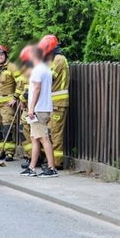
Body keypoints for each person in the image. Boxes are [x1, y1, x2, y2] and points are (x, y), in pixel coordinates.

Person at [21, 46, 58, 177]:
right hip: (43, 108)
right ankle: (32, 167)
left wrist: (31, 108)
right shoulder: (46, 69)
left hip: (39, 109)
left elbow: (36, 89)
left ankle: (51, 168)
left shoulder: (38, 70)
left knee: (43, 138)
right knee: (35, 138)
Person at [39, 34, 70, 168]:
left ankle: (57, 163)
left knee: (56, 133)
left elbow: (50, 77)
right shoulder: (54, 59)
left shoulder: (59, 59)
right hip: (53, 102)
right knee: (51, 131)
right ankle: (49, 160)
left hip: (58, 102)